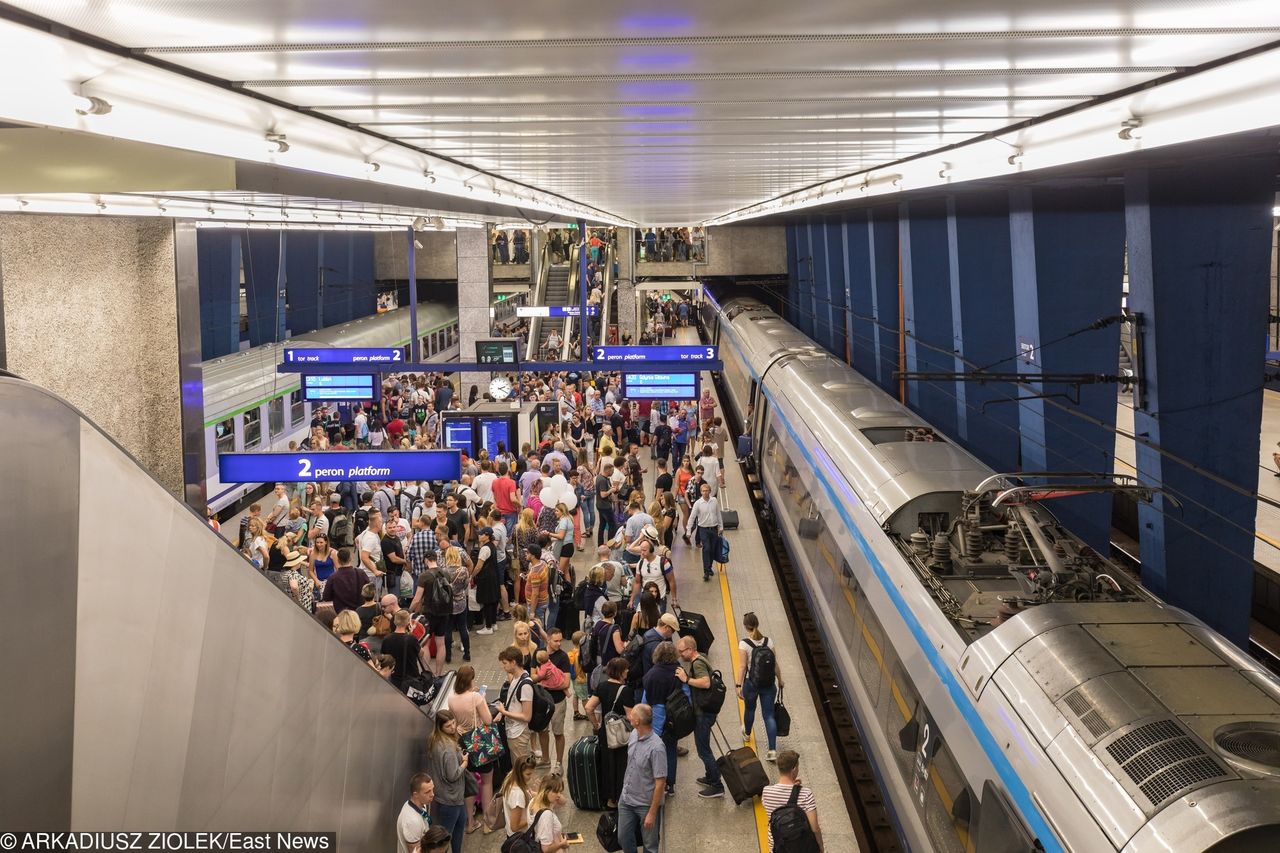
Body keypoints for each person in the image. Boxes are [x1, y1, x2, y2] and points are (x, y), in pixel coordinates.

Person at [447, 665, 496, 833]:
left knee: (468, 784)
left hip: (463, 743)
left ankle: (470, 823)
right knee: (487, 782)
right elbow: (488, 720)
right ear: (471, 680)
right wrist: (478, 697)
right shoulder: (476, 697)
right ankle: (488, 822)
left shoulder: (451, 698)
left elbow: (456, 719)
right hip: (479, 742)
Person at [676, 636, 723, 798]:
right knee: (704, 748)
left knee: (704, 751)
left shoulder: (697, 663)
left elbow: (706, 683)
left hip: (703, 714)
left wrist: (686, 679)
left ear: (690, 649)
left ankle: (717, 785)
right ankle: (710, 777)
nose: (680, 655)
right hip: (707, 712)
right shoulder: (700, 659)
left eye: (682, 651)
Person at [585, 656, 635, 808]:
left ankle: (609, 799)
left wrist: (596, 725)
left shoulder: (601, 686)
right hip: (620, 734)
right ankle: (620, 798)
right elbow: (631, 716)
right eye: (626, 669)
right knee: (621, 765)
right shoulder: (625, 691)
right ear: (620, 672)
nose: (627, 671)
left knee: (607, 764)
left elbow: (588, 707)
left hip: (605, 731)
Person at [617, 704, 666, 853]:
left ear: (638, 721)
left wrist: (652, 813)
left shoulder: (657, 748)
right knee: (623, 837)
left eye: (633, 714)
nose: (629, 715)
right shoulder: (633, 734)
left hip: (645, 804)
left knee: (650, 846)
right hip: (626, 799)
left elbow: (660, 783)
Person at [738, 611, 783, 762]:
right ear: (757, 624)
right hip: (769, 684)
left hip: (752, 684)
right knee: (769, 716)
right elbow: (775, 664)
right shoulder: (769, 642)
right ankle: (772, 751)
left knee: (750, 709)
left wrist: (738, 685)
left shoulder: (744, 644)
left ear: (745, 626)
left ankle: (747, 732)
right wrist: (780, 680)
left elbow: (743, 667)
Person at [641, 641, 683, 798]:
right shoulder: (679, 671)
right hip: (674, 717)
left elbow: (645, 701)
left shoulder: (651, 674)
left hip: (656, 718)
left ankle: (658, 783)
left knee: (656, 751)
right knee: (671, 750)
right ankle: (670, 784)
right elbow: (686, 694)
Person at [424, 708, 468, 853]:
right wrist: (464, 763)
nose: (453, 727)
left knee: (458, 826)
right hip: (451, 797)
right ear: (440, 727)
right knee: (447, 837)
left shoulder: (435, 740)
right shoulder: (448, 748)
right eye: (448, 726)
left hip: (444, 795)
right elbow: (452, 775)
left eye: (453, 723)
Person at [762, 751, 824, 852]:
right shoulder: (806, 794)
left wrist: (793, 787)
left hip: (777, 845)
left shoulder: (766, 791)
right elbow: (814, 828)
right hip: (801, 846)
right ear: (794, 769)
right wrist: (820, 846)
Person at [532, 628, 572, 772]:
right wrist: (542, 680)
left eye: (560, 640)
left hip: (558, 701)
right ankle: (545, 759)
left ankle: (559, 763)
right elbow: (532, 677)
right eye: (556, 641)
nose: (559, 644)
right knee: (542, 731)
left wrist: (544, 684)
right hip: (542, 701)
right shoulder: (538, 653)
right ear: (548, 639)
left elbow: (566, 683)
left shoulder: (563, 657)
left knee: (558, 732)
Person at [496, 645, 535, 765]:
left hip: (519, 733)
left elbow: (526, 716)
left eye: (505, 663)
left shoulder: (525, 685)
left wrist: (504, 712)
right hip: (512, 731)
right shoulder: (515, 679)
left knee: (521, 771)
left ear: (513, 662)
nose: (503, 666)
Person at [686, 481, 724, 581]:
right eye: (703, 491)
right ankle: (706, 571)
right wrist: (688, 531)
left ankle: (709, 567)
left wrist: (721, 526)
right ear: (701, 492)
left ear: (710, 491)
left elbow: (718, 514)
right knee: (706, 548)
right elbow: (692, 517)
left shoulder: (714, 501)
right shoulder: (698, 504)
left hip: (714, 528)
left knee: (712, 549)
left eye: (707, 491)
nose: (705, 492)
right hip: (703, 529)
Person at [382, 609, 427, 690]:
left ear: (395, 622)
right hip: (411, 675)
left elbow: (384, 656)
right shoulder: (411, 639)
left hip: (394, 675)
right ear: (408, 622)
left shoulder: (386, 639)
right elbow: (421, 654)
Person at [527, 772, 572, 851]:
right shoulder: (546, 815)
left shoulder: (534, 801)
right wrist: (562, 844)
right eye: (555, 792)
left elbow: (563, 802)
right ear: (546, 791)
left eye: (560, 792)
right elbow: (546, 849)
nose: (559, 795)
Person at [630, 538, 676, 612]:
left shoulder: (663, 562)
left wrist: (674, 599)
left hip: (660, 599)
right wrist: (632, 599)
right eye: (641, 550)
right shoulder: (640, 563)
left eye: (644, 550)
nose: (642, 553)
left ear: (651, 550)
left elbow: (671, 581)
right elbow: (637, 582)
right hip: (645, 599)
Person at [442, 546, 471, 664]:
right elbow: (465, 586)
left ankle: (448, 655)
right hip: (461, 601)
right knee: (463, 628)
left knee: (448, 630)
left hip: (448, 604)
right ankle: (467, 653)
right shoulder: (464, 570)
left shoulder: (443, 571)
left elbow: (441, 588)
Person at [499, 755, 539, 837]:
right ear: (519, 773)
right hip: (521, 837)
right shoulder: (518, 795)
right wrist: (534, 817)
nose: (531, 777)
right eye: (528, 774)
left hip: (512, 835)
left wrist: (539, 794)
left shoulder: (510, 777)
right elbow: (514, 826)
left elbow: (528, 792)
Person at [397, 772, 435, 853]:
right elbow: (415, 851)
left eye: (432, 789)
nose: (432, 794)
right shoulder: (412, 821)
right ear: (416, 795)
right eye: (427, 792)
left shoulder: (419, 804)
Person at [321, 547, 366, 613]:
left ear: (338, 560)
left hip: (341, 613)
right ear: (350, 558)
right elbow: (368, 591)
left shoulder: (333, 577)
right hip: (359, 612)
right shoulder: (360, 573)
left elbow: (326, 597)